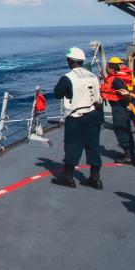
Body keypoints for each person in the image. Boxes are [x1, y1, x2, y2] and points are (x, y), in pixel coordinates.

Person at [52, 47, 104, 189]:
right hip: (95, 114)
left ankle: (68, 177)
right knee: (93, 146)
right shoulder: (92, 76)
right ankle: (95, 179)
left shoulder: (68, 77)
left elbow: (57, 93)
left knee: (73, 145)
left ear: (69, 60)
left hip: (77, 116)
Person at [100, 57, 135, 164]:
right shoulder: (117, 77)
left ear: (112, 69)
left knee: (121, 130)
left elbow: (125, 93)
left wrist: (127, 104)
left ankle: (128, 155)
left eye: (107, 67)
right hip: (120, 107)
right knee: (125, 130)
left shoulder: (117, 80)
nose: (106, 69)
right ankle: (130, 154)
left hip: (120, 108)